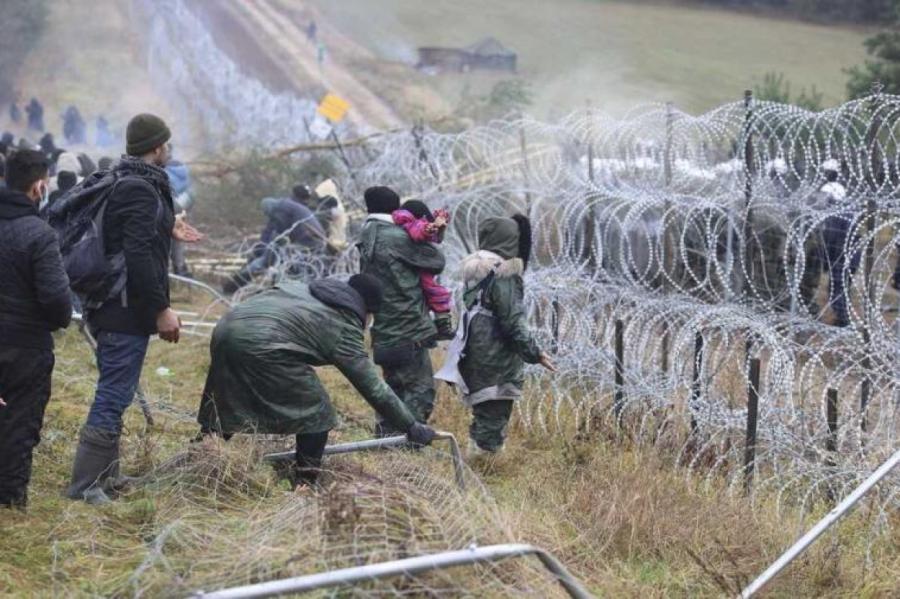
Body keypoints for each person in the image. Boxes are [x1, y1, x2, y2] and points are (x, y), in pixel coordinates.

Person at [66, 113, 203, 503]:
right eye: (167, 143)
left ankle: (106, 476)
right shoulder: (140, 189)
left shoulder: (130, 182)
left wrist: (167, 227)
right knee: (112, 393)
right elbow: (139, 255)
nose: (169, 149)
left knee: (118, 391)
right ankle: (85, 485)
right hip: (123, 308)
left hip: (116, 305)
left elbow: (132, 237)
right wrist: (162, 309)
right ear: (157, 147)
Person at [197, 274, 437, 485]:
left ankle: (201, 454)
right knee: (317, 412)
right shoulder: (343, 324)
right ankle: (305, 482)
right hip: (264, 344)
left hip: (225, 329)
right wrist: (410, 425)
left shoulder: (303, 288)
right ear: (367, 311)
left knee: (227, 394)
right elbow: (373, 387)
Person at [446, 215, 555, 456]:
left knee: (484, 410)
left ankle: (474, 458)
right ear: (509, 241)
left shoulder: (475, 270)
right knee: (494, 414)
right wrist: (535, 353)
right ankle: (485, 466)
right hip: (495, 353)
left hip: (473, 345)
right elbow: (512, 321)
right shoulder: (504, 273)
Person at [0, 150, 72, 508]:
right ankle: (10, 501)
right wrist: (59, 319)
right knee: (18, 421)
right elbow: (58, 301)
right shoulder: (39, 235)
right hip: (24, 347)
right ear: (39, 186)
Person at [358, 186, 446, 434]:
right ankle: (408, 447)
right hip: (409, 329)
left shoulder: (366, 234)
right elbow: (436, 261)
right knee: (419, 393)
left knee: (392, 390)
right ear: (396, 209)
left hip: (383, 329)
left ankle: (385, 442)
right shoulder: (396, 237)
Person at [222, 191, 327, 293]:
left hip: (307, 239)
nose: (268, 216)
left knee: (267, 262)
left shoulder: (281, 209)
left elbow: (279, 233)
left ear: (269, 209)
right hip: (314, 239)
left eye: (267, 213)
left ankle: (233, 286)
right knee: (291, 263)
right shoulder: (287, 206)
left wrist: (266, 252)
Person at [391, 200, 454, 339]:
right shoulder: (411, 223)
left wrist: (438, 227)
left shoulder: (402, 225)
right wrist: (429, 228)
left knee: (434, 293)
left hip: (417, 266)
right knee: (436, 293)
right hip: (419, 269)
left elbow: (435, 238)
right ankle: (442, 326)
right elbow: (418, 231)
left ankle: (440, 324)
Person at [165, 155, 193, 276]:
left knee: (166, 242)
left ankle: (166, 273)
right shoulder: (185, 172)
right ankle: (180, 270)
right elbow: (191, 194)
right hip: (182, 209)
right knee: (178, 242)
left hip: (168, 208)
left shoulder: (164, 172)